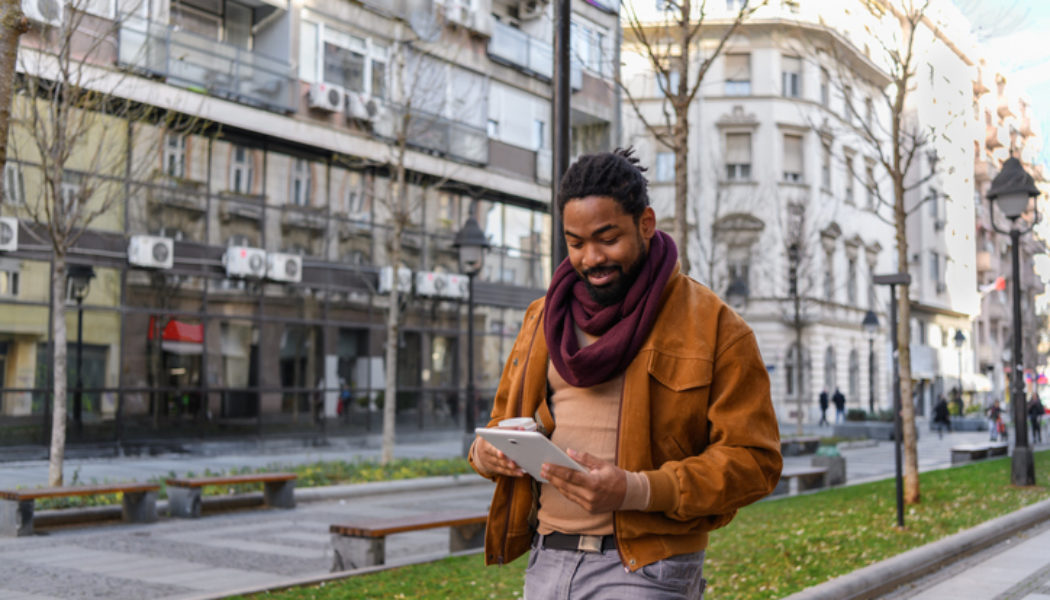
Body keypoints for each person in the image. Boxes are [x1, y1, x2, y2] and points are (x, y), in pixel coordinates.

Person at [468, 148, 782, 599]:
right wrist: (487, 453)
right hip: (546, 561)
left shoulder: (715, 325)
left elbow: (756, 462)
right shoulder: (542, 318)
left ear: (646, 224)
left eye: (607, 238)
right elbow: (499, 426)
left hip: (647, 568)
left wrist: (635, 490)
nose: (591, 257)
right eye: (575, 243)